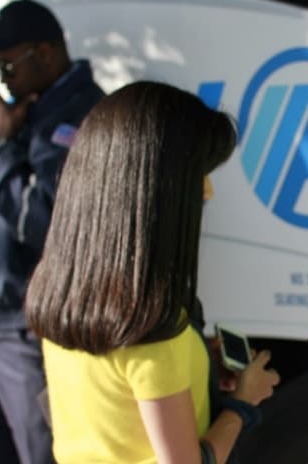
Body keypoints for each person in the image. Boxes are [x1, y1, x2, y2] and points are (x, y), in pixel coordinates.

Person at [24, 80, 280, 464]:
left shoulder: (64, 296)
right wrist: (244, 401)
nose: (207, 191)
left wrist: (198, 364)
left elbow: (116, 400)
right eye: (199, 173)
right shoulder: (152, 330)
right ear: (157, 189)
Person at [0, 0, 105, 464]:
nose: (2, 80)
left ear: (45, 52)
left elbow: (40, 220)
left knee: (43, 455)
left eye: (6, 66)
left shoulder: (79, 113)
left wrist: (8, 144)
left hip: (29, 332)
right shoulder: (34, 111)